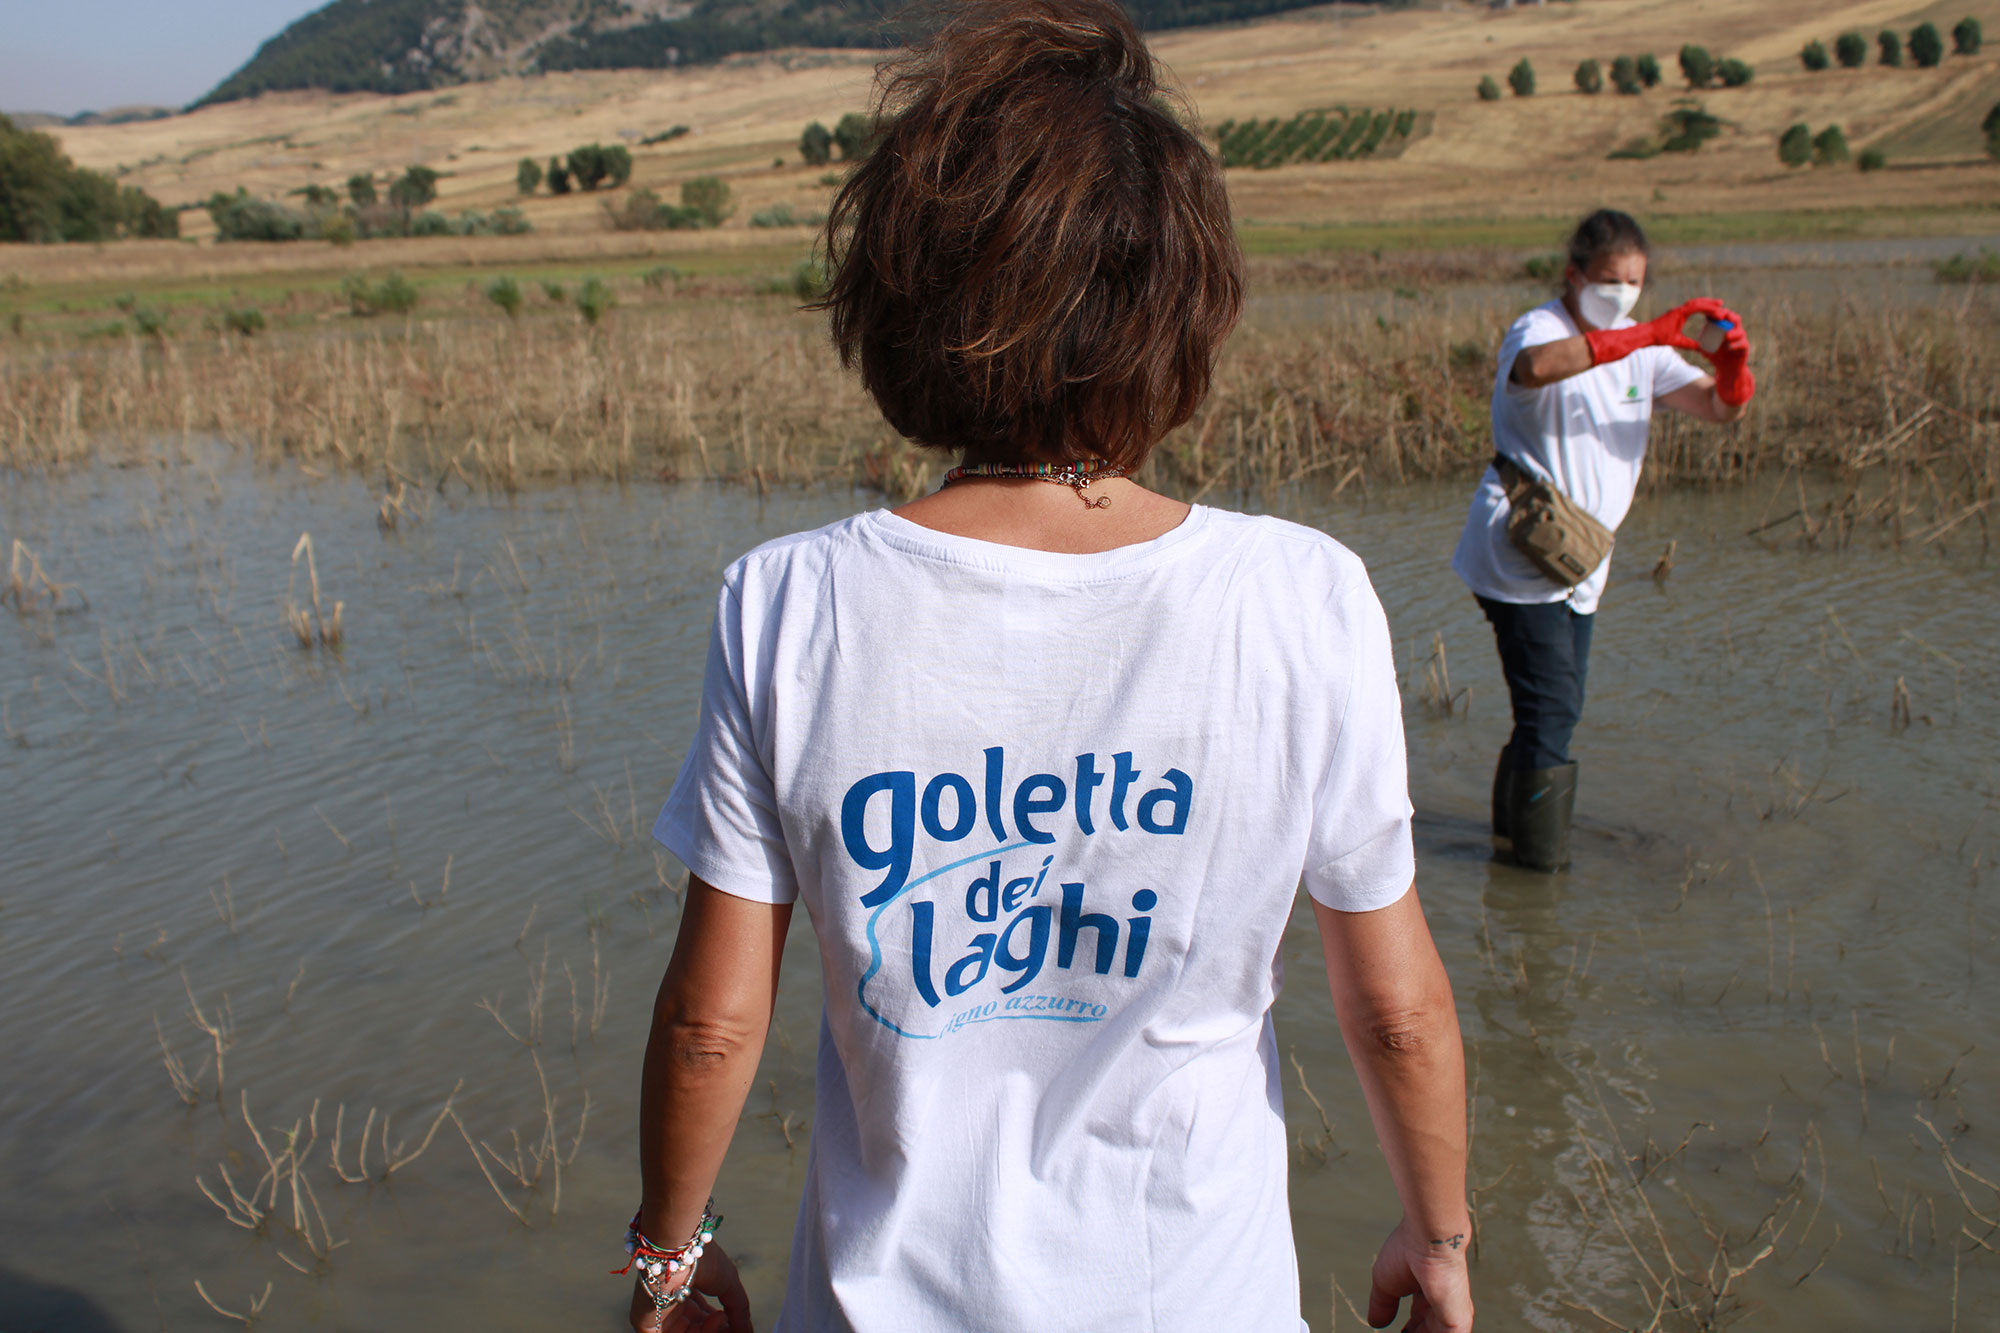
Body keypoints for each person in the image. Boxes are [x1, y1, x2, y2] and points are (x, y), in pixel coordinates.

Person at [626, 4, 1473, 1331]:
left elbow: (709, 1026)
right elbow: (1398, 1011)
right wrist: (1441, 1237)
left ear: (901, 300)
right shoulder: (1301, 597)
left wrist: (669, 1253)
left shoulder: (791, 601)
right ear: (1181, 309)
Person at [1450, 209, 1754, 874]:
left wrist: (1731, 369)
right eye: (1609, 279)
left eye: (1635, 282)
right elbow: (1534, 368)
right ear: (1575, 274)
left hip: (1581, 560)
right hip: (1521, 552)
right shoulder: (1541, 328)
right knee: (1552, 710)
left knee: (1548, 711)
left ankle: (1511, 847)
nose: (1620, 293)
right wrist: (1648, 333)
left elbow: (1718, 408)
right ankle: (1538, 875)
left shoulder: (1642, 348)